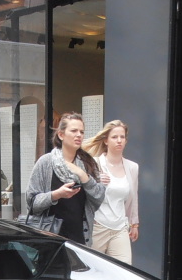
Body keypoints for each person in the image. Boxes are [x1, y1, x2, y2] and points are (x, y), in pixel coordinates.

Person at [22, 112, 105, 244]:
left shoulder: (88, 163)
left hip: (80, 238)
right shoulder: (46, 162)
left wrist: (84, 176)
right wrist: (56, 195)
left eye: (82, 132)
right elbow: (32, 203)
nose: (79, 135)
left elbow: (98, 198)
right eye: (74, 131)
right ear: (61, 135)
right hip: (50, 237)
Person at [83, 119, 140, 263]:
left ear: (126, 140)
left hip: (120, 227)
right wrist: (95, 181)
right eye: (114, 137)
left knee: (125, 271)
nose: (119, 140)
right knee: (94, 271)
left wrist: (134, 223)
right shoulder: (94, 164)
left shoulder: (132, 167)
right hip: (97, 226)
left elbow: (134, 197)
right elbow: (82, 190)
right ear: (106, 141)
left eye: (122, 137)